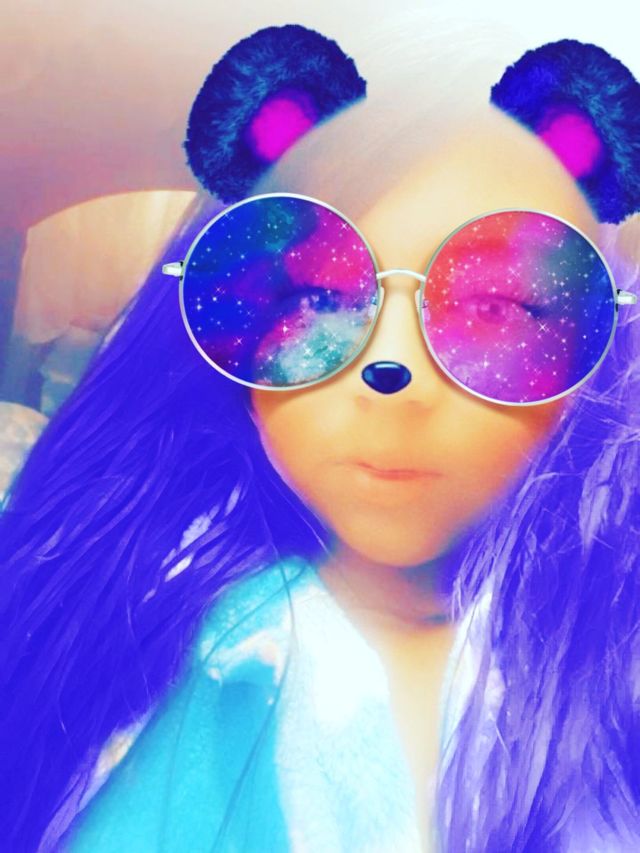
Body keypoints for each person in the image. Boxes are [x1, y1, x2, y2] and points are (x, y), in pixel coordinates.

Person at [1, 19, 639, 852]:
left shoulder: (607, 658)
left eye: (496, 306)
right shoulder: (123, 607)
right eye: (313, 295)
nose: (392, 372)